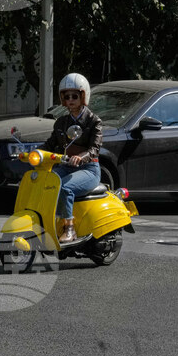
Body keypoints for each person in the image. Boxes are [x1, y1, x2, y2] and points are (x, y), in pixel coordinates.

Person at [43, 73, 103, 244]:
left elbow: (94, 149)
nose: (70, 100)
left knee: (65, 188)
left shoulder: (94, 121)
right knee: (45, 183)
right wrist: (33, 153)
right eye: (66, 96)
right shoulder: (61, 122)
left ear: (83, 96)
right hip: (66, 166)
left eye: (74, 96)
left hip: (88, 169)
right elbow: (50, 143)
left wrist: (81, 157)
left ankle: (70, 230)